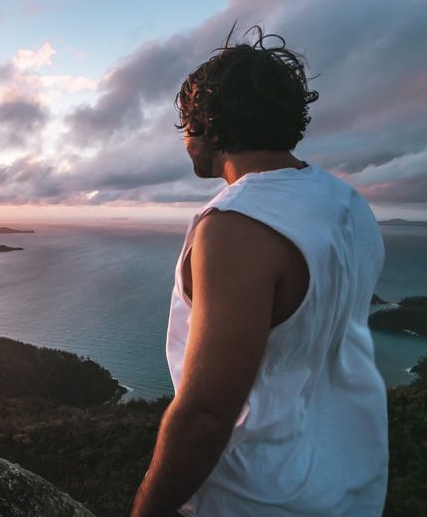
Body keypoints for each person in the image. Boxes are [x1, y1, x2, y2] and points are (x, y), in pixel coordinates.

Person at [129, 26, 388, 516]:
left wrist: (146, 507)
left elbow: (205, 416)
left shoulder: (237, 225)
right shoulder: (348, 205)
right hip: (350, 486)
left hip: (255, 498)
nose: (185, 139)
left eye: (187, 125)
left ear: (207, 123)